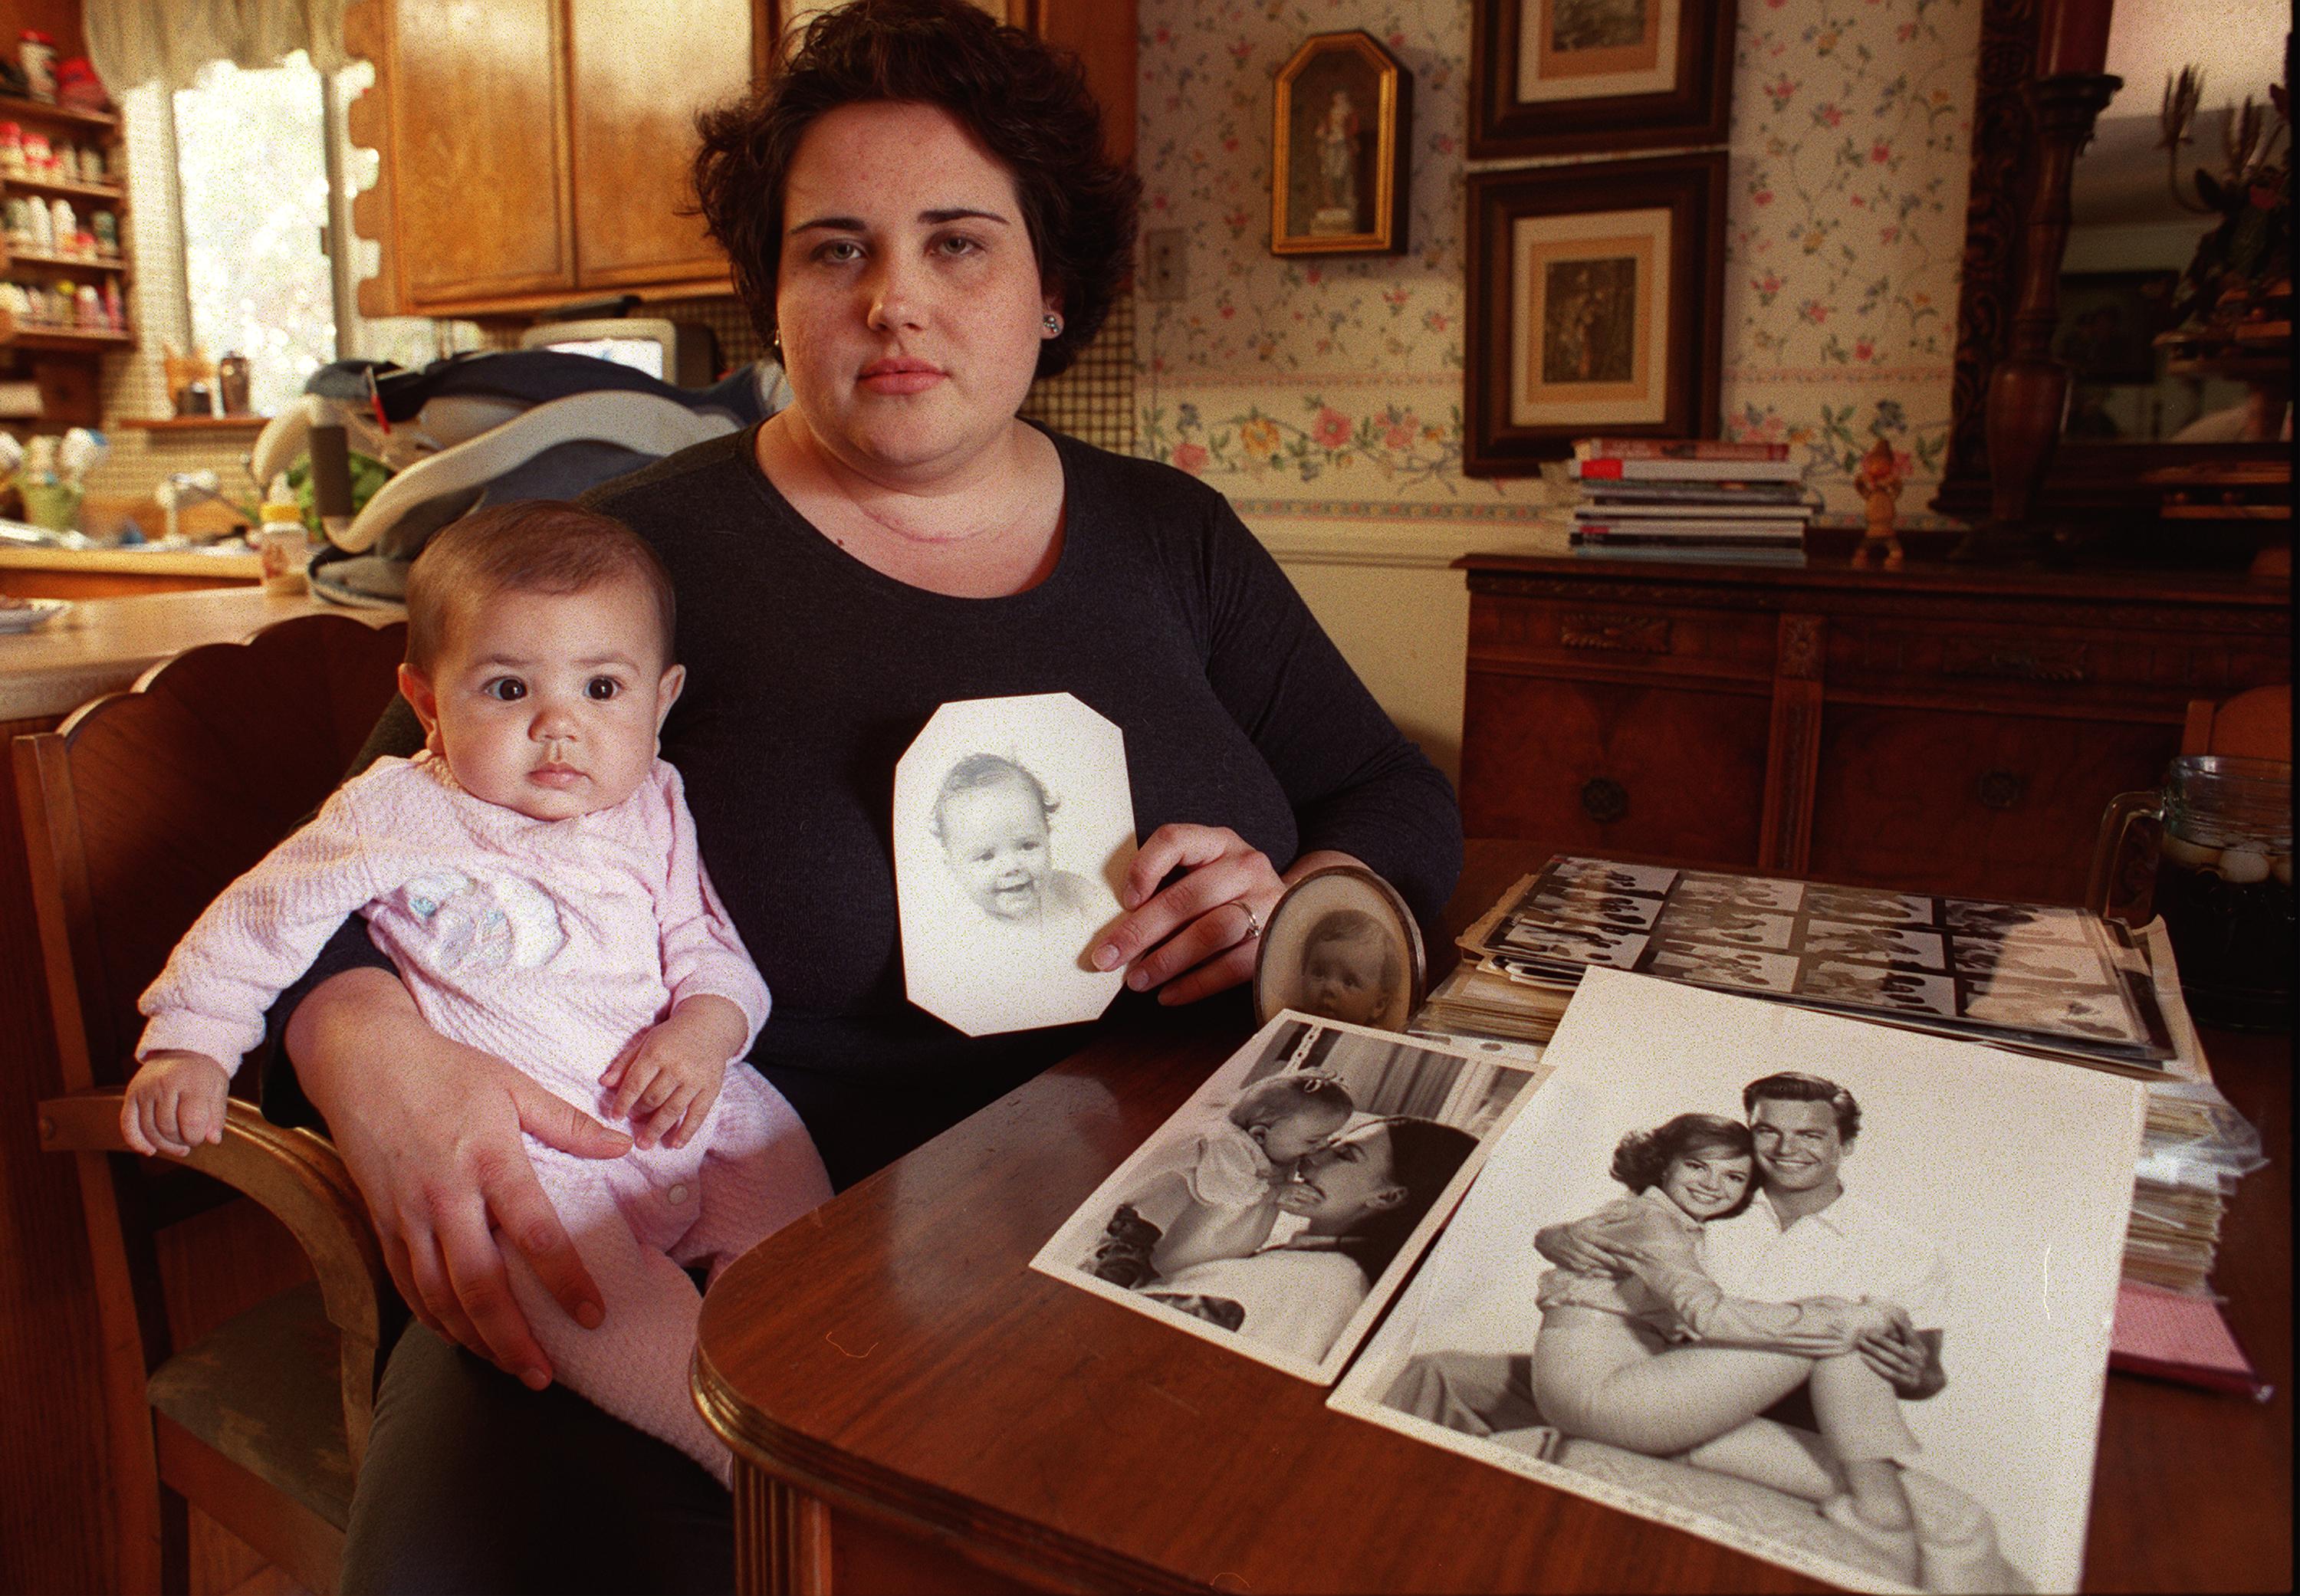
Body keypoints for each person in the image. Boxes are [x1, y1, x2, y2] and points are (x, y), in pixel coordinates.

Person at [255, 2, 1462, 1589]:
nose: (895, 298)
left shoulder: (1177, 538)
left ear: (1050, 288)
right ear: (774, 293)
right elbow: (331, 882)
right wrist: (375, 1060)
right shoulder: (621, 566)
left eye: (959, 242)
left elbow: (1388, 792)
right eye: (836, 249)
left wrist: (1296, 906)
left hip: (1155, 1230)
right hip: (680, 1258)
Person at [123, 502, 830, 1486]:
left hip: (685, 1112)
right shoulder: (399, 808)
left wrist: (708, 1033)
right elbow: (266, 914)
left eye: (601, 688)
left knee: (793, 1202)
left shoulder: (653, 803)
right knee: (575, 1291)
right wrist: (191, 1040)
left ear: (660, 701)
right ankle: (736, 1451)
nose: (558, 726)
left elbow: (708, 947)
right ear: (426, 702)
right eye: (507, 688)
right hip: (530, 1157)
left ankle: (811, 1374)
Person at [1523, 1114, 1924, 1564]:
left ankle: (1881, 1509)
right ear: (1663, 1165)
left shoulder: (1672, 1225)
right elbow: (1710, 1317)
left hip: (1628, 1392)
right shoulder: (1649, 1221)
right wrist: (1847, 1317)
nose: (1714, 1185)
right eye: (1698, 1166)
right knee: (1845, 1331)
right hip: (1603, 1398)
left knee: (1880, 1478)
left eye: (1734, 1176)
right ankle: (1880, 1515)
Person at [1141, 1115, 1475, 1363]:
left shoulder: (1313, 1282)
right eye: (1329, 1144)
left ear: (1388, 1198)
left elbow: (1142, 1337)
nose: (1312, 1156)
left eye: (1345, 1156)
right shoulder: (1310, 1256)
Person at [1086, 1070, 1355, 1285]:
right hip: (1168, 1211)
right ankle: (1119, 1257)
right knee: (1147, 1234)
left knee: (1190, 1257)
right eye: (1314, 1139)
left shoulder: (1280, 1144)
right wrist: (1276, 1192)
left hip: (1215, 1225)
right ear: (1260, 1134)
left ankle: (1151, 1268)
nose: (1321, 1146)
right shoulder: (1228, 1144)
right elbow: (1222, 1188)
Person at [930, 752, 1097, 927]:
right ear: (953, 868)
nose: (1011, 867)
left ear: (1047, 836)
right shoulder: (959, 930)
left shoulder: (1072, 891)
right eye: (986, 856)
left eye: (1027, 846)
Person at [1296, 908, 1399, 1026]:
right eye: (1319, 973)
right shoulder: (1289, 1021)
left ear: (1379, 1005)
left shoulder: (1374, 1042)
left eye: (1349, 982)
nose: (1329, 987)